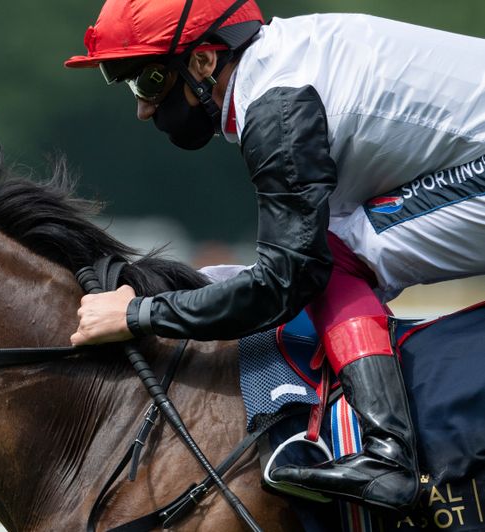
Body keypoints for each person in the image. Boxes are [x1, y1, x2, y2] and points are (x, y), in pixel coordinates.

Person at [64, 0, 485, 514]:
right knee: (328, 240)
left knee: (333, 254)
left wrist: (139, 315)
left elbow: (286, 281)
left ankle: (389, 455)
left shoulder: (277, 108)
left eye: (150, 81)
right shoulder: (283, 61)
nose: (144, 109)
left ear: (203, 61)